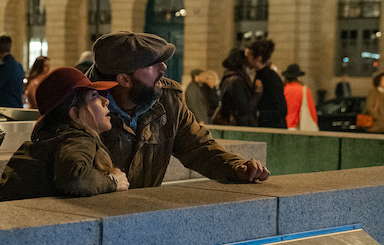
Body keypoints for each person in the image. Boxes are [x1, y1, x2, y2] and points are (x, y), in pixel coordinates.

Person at [89, 32, 269, 188]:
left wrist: (236, 167)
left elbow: (197, 147)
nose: (163, 67)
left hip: (144, 215)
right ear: (124, 80)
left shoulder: (168, 99)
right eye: (151, 64)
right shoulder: (80, 110)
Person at [0, 67, 129, 202]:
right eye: (94, 96)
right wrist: (112, 182)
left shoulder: (56, 138)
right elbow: (74, 177)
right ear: (76, 114)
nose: (105, 101)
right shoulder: (77, 138)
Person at [244, 39, 288, 128]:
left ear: (258, 58)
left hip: (273, 129)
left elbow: (282, 109)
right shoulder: (260, 75)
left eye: (249, 55)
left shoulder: (271, 77)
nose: (246, 59)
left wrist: (258, 114)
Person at [214, 48, 261, 127]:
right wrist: (257, 92)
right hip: (240, 124)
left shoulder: (228, 77)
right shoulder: (237, 81)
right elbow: (244, 108)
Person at [282, 64, 318, 131]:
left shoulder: (283, 89)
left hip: (283, 126)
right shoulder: (303, 90)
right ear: (298, 77)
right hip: (297, 127)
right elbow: (311, 111)